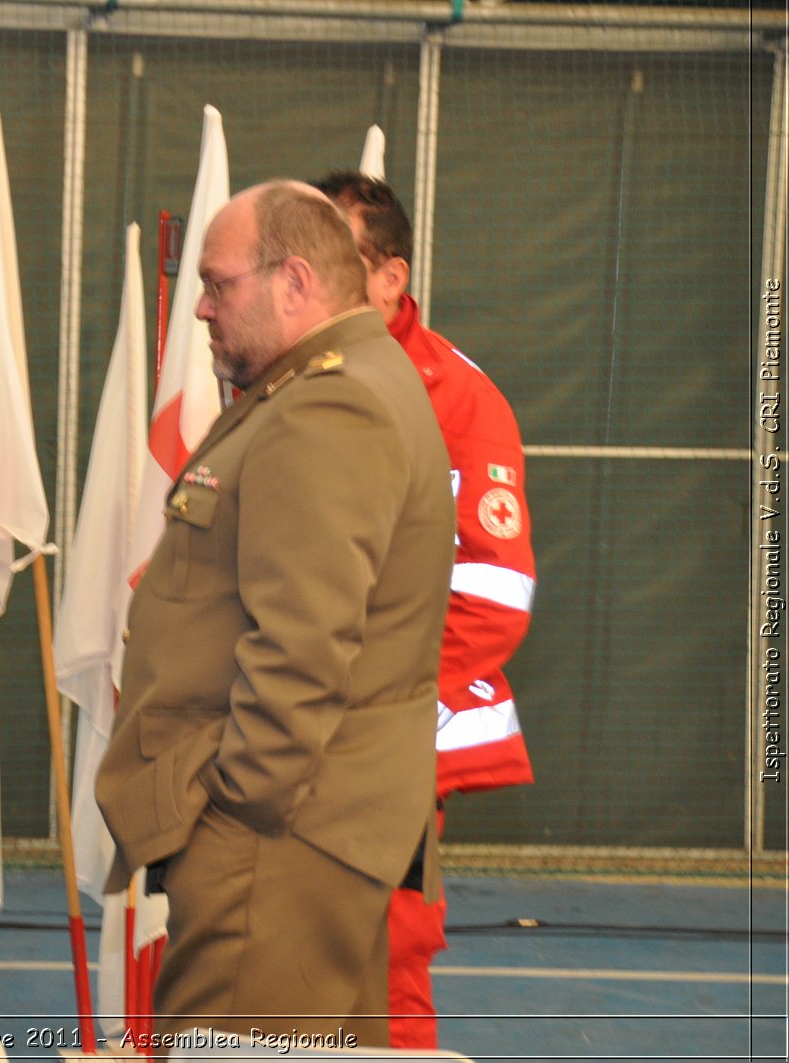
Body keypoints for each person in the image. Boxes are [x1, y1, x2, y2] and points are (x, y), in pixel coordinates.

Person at [94, 181, 454, 1049]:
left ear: (294, 282)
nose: (204, 312)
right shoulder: (334, 381)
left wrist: (236, 809)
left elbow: (302, 645)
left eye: (219, 286)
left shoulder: (330, 403)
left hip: (278, 837)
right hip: (313, 832)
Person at [313, 170, 535, 1049]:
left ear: (389, 278)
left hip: (390, 754)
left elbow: (495, 593)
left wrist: (370, 710)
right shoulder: (272, 373)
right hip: (267, 739)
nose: (302, 277)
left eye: (328, 258)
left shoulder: (461, 398)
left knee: (388, 959)